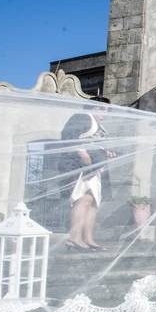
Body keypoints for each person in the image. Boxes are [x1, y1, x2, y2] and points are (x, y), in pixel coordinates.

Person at [58, 98, 113, 251]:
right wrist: (83, 154)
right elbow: (68, 135)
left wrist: (107, 153)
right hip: (81, 167)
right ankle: (74, 238)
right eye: (103, 109)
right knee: (81, 200)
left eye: (107, 110)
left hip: (95, 170)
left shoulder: (100, 126)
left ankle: (88, 239)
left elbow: (96, 145)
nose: (105, 114)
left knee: (93, 202)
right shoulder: (82, 117)